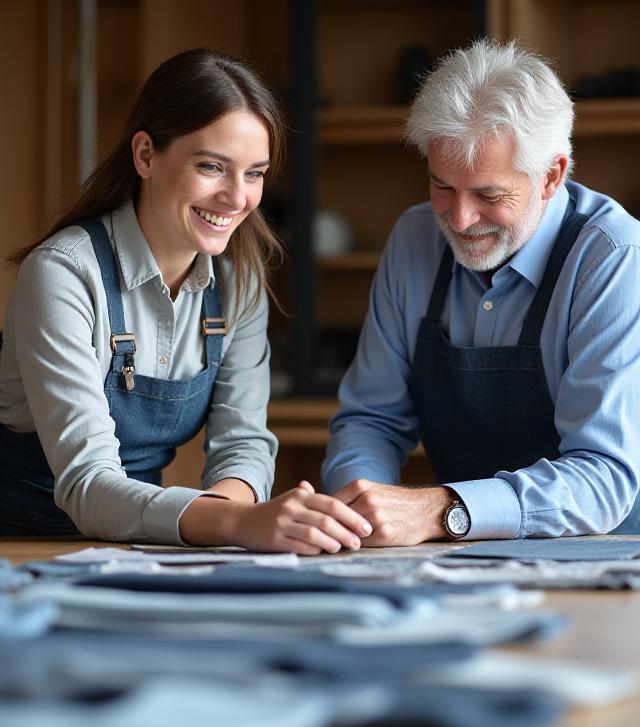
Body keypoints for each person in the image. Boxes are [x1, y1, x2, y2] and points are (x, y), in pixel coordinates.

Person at [0, 48, 371, 554]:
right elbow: (87, 482)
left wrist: (231, 513)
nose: (237, 198)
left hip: (141, 543)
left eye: (255, 173)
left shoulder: (239, 284)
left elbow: (243, 444)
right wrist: (235, 524)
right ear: (146, 155)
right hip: (22, 546)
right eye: (212, 166)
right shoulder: (63, 274)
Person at [322, 38, 640, 544]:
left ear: (551, 176)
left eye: (489, 195)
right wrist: (361, 512)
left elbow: (603, 478)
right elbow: (371, 420)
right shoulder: (414, 237)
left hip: (604, 558)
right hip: (460, 559)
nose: (460, 219)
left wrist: (441, 510)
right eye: (442, 186)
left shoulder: (612, 256)